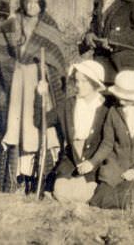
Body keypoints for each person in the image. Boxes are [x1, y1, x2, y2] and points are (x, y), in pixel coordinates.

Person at [0, 0, 67, 193]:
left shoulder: (48, 25)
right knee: (15, 124)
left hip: (38, 82)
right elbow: (4, 53)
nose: (32, 6)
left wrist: (47, 71)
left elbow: (57, 56)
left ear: (41, 4)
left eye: (36, 2)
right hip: (17, 81)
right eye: (28, 2)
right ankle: (14, 177)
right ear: (23, 3)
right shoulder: (13, 22)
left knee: (37, 125)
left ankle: (38, 176)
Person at [87, 70, 134, 209]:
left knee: (129, 199)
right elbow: (107, 143)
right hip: (115, 168)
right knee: (101, 199)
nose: (120, 101)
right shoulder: (114, 111)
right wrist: (92, 162)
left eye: (125, 98)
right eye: (118, 96)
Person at [52, 60, 110, 203]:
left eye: (84, 82)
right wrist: (40, 96)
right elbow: (41, 121)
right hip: (71, 160)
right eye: (76, 81)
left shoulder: (106, 108)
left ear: (95, 84)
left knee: (83, 195)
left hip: (93, 162)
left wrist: (92, 163)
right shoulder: (68, 105)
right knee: (60, 193)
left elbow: (108, 142)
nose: (78, 85)